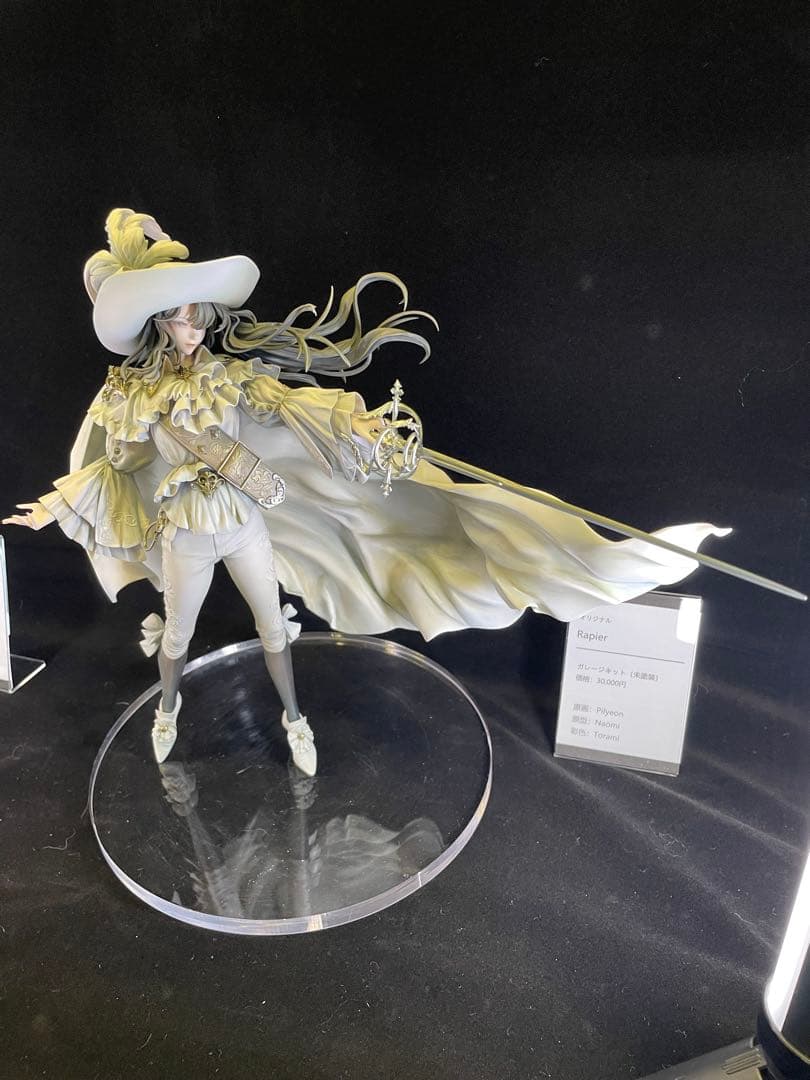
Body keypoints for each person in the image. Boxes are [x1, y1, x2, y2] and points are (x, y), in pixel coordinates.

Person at [4, 209, 726, 774]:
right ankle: (166, 709)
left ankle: (294, 720)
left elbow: (297, 406)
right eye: (176, 316)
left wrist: (359, 428)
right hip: (187, 532)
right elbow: (115, 461)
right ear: (158, 325)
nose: (189, 327)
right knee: (179, 635)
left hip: (244, 519)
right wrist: (58, 504)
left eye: (195, 313)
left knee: (273, 628)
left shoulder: (233, 378)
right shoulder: (135, 395)